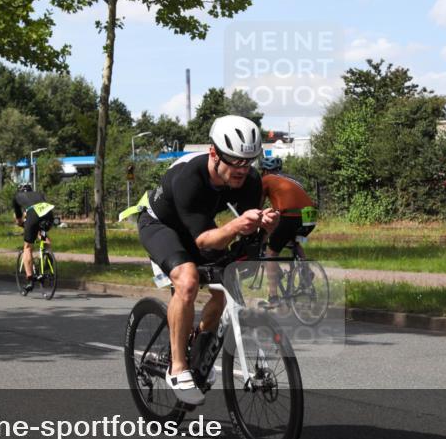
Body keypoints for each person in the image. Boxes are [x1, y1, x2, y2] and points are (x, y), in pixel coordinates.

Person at [132, 115, 279, 405]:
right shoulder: (190, 177)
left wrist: (265, 228)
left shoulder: (250, 180)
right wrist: (235, 226)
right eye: (235, 161)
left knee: (225, 286)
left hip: (199, 227)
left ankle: (198, 346)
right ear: (214, 153)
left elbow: (247, 237)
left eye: (249, 161)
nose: (242, 169)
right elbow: (202, 241)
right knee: (187, 281)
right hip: (160, 224)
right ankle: (177, 367)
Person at [259, 156, 318, 305]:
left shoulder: (266, 179)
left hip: (291, 216)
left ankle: (273, 297)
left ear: (264, 170)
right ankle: (306, 271)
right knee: (294, 241)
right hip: (310, 217)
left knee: (271, 254)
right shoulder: (291, 179)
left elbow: (258, 206)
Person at [12, 183, 55, 295]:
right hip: (48, 215)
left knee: (27, 247)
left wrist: (23, 225)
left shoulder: (17, 197)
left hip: (33, 216)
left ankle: (30, 280)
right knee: (42, 233)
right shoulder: (38, 194)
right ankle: (49, 259)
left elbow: (19, 219)